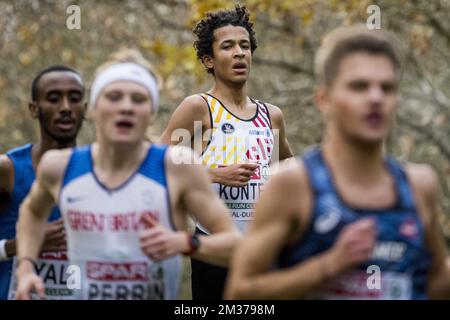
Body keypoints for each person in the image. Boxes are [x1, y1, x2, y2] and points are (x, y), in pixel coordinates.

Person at [225, 25, 450, 299]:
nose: (376, 98)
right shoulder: (293, 184)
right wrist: (329, 265)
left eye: (387, 88)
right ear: (324, 99)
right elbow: (240, 293)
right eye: (359, 86)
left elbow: (436, 280)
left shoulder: (419, 185)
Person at [15, 49, 240, 300]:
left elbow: (234, 245)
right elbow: (32, 212)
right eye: (113, 97)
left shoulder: (178, 167)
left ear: (151, 111)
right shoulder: (59, 167)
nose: (126, 107)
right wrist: (25, 267)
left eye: (138, 99)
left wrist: (187, 243)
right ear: (93, 109)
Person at [160, 5, 293, 300]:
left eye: (245, 46)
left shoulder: (272, 115)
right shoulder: (198, 108)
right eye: (228, 46)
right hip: (214, 247)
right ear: (208, 59)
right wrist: (216, 174)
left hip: (262, 247)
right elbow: (157, 165)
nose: (239, 53)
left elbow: (288, 165)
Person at [0, 66, 86, 299]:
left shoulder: (99, 173)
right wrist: (21, 245)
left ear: (85, 108)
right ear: (34, 109)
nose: (66, 107)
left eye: (75, 98)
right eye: (54, 98)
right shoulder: (8, 170)